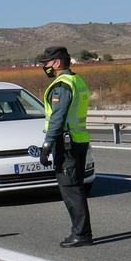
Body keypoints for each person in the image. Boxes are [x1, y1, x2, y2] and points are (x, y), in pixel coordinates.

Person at [41, 47, 93, 246]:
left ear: (56, 63)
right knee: (76, 187)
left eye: (46, 63)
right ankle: (82, 231)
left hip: (66, 143)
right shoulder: (77, 80)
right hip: (78, 140)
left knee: (71, 190)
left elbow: (57, 117)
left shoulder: (62, 85)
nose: (44, 67)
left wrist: (47, 144)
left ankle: (81, 234)